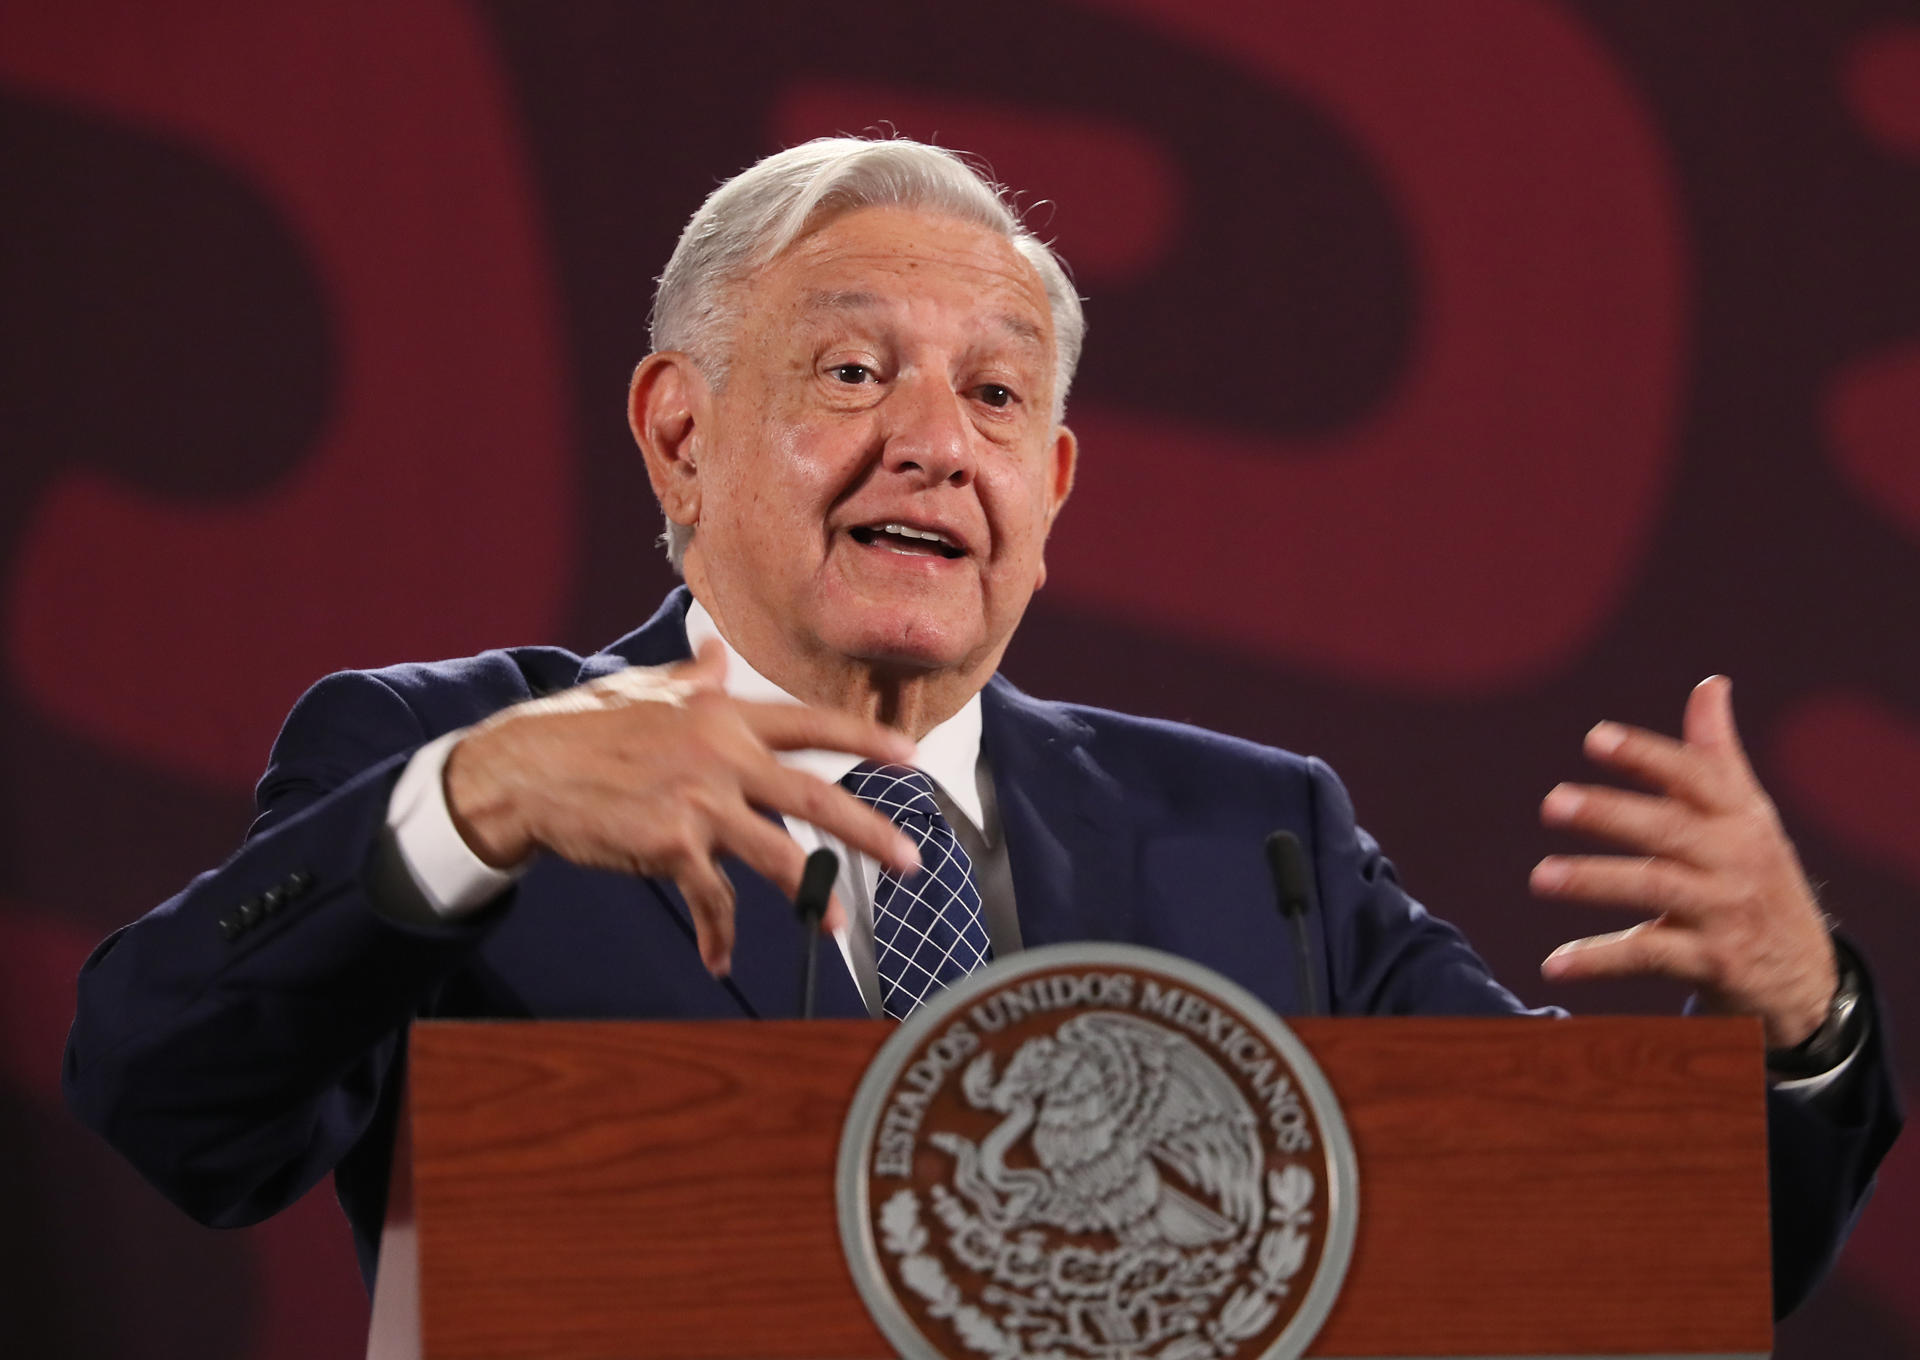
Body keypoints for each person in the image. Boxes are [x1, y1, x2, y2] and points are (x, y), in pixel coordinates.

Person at [65, 138, 1899, 1318]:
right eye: (853, 371)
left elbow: (1603, 1268)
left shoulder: (1256, 836)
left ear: (1056, 480)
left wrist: (1798, 1020)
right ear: (679, 432)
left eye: (997, 396)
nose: (934, 442)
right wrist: (458, 812)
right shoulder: (466, 762)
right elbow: (168, 1106)